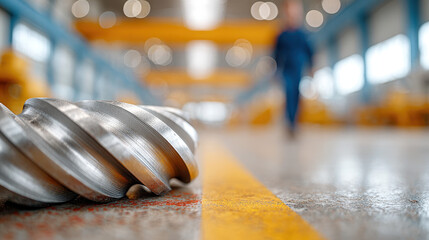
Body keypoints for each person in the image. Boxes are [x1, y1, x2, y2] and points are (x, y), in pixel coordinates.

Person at [273, 0, 314, 138]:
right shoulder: (281, 35)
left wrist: (311, 67)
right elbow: (276, 55)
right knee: (289, 94)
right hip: (287, 70)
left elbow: (309, 51)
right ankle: (290, 123)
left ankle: (294, 123)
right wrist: (276, 71)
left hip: (298, 70)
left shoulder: (302, 34)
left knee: (296, 96)